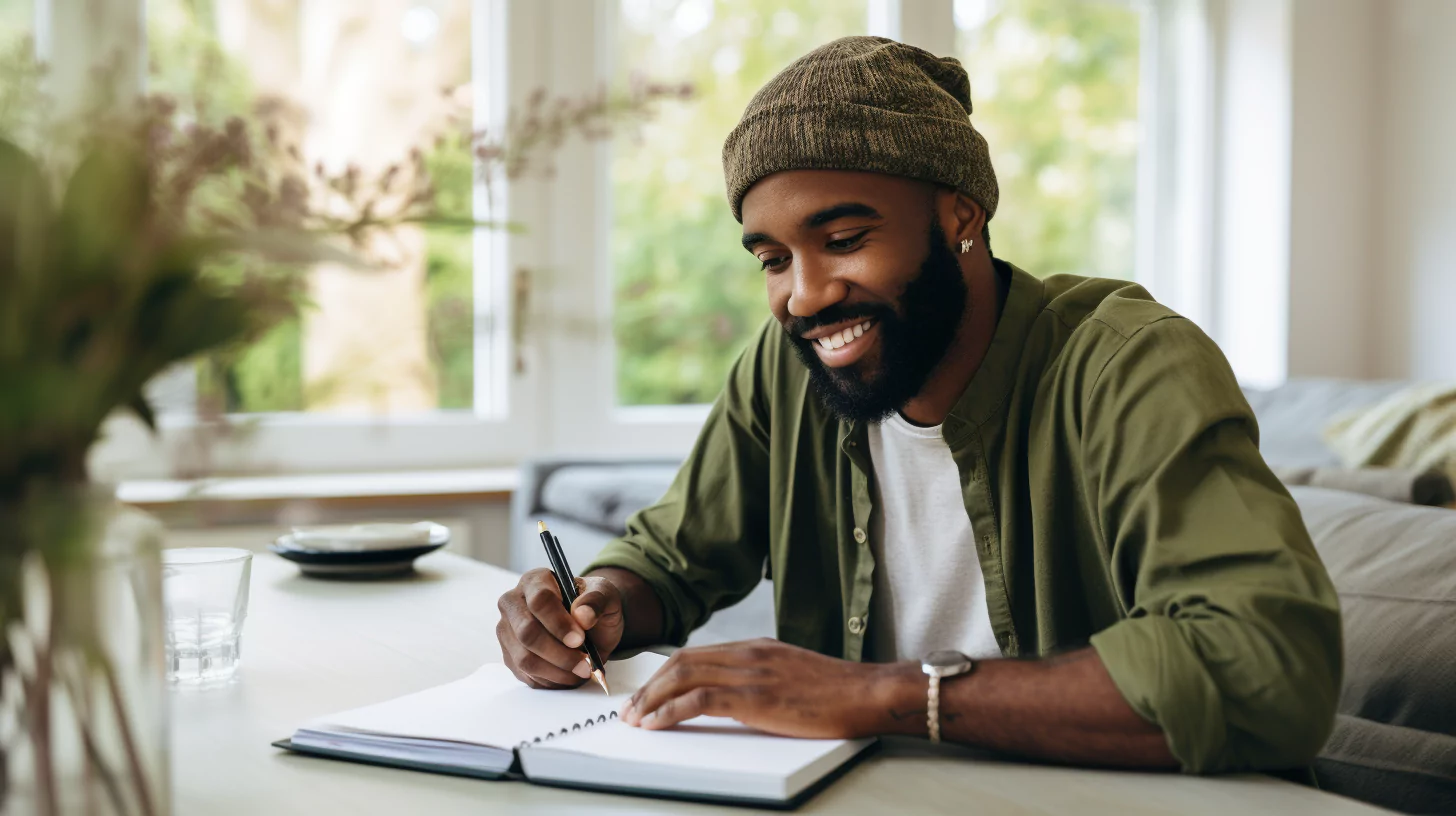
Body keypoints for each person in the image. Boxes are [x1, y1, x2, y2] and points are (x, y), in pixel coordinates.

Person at [494, 36, 1341, 773]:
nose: (804, 295)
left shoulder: (1127, 365)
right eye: (773, 258)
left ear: (961, 214)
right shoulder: (787, 368)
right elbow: (673, 558)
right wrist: (594, 603)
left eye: (844, 240)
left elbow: (1265, 664)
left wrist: (879, 695)